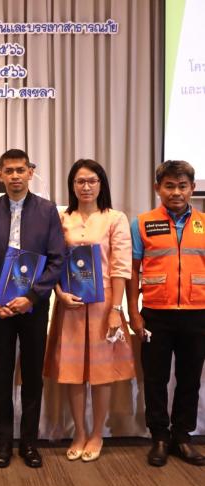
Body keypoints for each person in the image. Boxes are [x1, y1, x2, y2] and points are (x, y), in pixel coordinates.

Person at [0, 149, 65, 468]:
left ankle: (28, 442)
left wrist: (32, 296)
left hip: (33, 307)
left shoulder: (47, 210)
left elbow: (57, 259)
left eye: (20, 169)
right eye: (9, 170)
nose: (15, 175)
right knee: (1, 376)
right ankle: (3, 443)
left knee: (31, 376)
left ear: (30, 172)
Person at [43, 159, 135, 462]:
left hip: (103, 305)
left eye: (92, 181)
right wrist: (59, 293)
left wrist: (116, 309)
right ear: (72, 185)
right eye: (80, 181)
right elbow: (53, 261)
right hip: (69, 305)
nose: (86, 187)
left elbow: (121, 267)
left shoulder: (115, 219)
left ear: (101, 184)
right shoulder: (61, 218)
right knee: (72, 372)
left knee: (100, 373)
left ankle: (97, 434)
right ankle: (79, 432)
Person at [127, 160, 205, 467]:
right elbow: (132, 271)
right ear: (157, 188)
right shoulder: (142, 223)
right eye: (169, 186)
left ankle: (182, 437)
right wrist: (133, 312)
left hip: (197, 314)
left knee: (190, 379)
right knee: (155, 379)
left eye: (182, 186)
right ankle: (159, 437)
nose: (176, 192)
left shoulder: (204, 223)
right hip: (155, 315)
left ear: (192, 188)